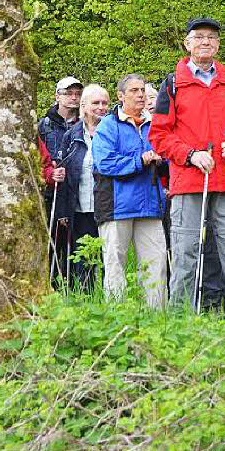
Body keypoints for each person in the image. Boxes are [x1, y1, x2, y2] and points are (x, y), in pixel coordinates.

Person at [148, 17, 225, 316]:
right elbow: (158, 135)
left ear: (218, 44)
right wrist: (190, 155)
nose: (205, 42)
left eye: (211, 37)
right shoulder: (172, 84)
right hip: (188, 181)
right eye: (198, 37)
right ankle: (180, 321)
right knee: (185, 254)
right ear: (187, 43)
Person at [91, 74, 168, 308]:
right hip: (116, 206)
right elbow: (104, 162)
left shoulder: (155, 125)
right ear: (121, 96)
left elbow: (168, 156)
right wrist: (140, 160)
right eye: (134, 90)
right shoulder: (108, 125)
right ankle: (117, 317)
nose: (141, 95)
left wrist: (161, 160)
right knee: (115, 264)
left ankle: (157, 318)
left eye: (143, 90)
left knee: (156, 263)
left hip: (150, 204)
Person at [55, 84, 112, 292]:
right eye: (96, 103)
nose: (101, 107)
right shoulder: (71, 135)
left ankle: (111, 299)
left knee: (109, 258)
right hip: (79, 209)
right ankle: (86, 299)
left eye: (105, 103)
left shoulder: (113, 131)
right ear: (83, 105)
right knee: (83, 260)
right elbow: (64, 174)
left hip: (108, 207)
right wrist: (63, 211)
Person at [40, 76, 83, 267]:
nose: (73, 98)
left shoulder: (83, 124)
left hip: (77, 190)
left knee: (76, 244)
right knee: (51, 242)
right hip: (51, 192)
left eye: (77, 94)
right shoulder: (43, 125)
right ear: (57, 96)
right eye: (68, 93)